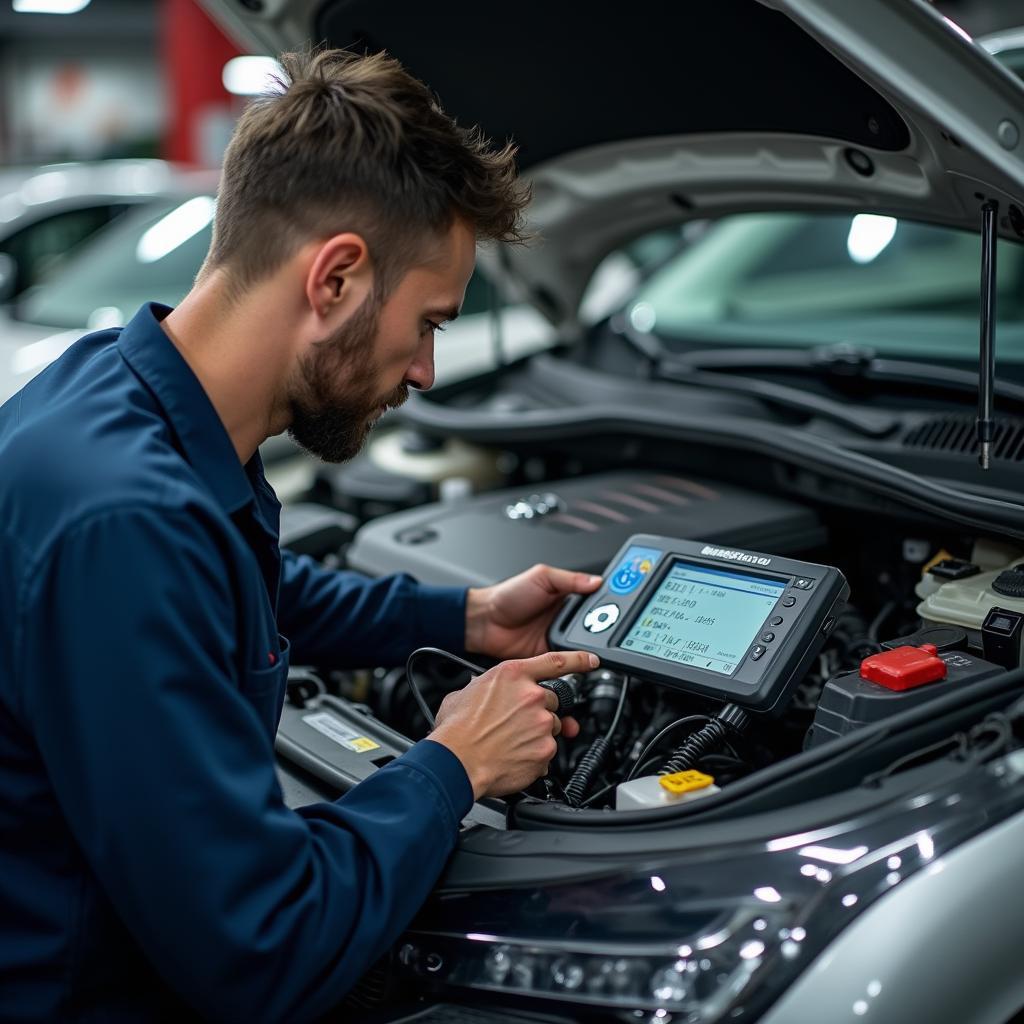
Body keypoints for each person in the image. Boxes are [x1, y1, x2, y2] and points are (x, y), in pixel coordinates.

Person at [0, 49, 603, 1022]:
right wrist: (452, 763)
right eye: (427, 322)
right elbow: (261, 947)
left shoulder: (112, 387)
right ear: (335, 279)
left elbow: (242, 576)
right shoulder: (126, 520)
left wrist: (469, 614)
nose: (426, 372)